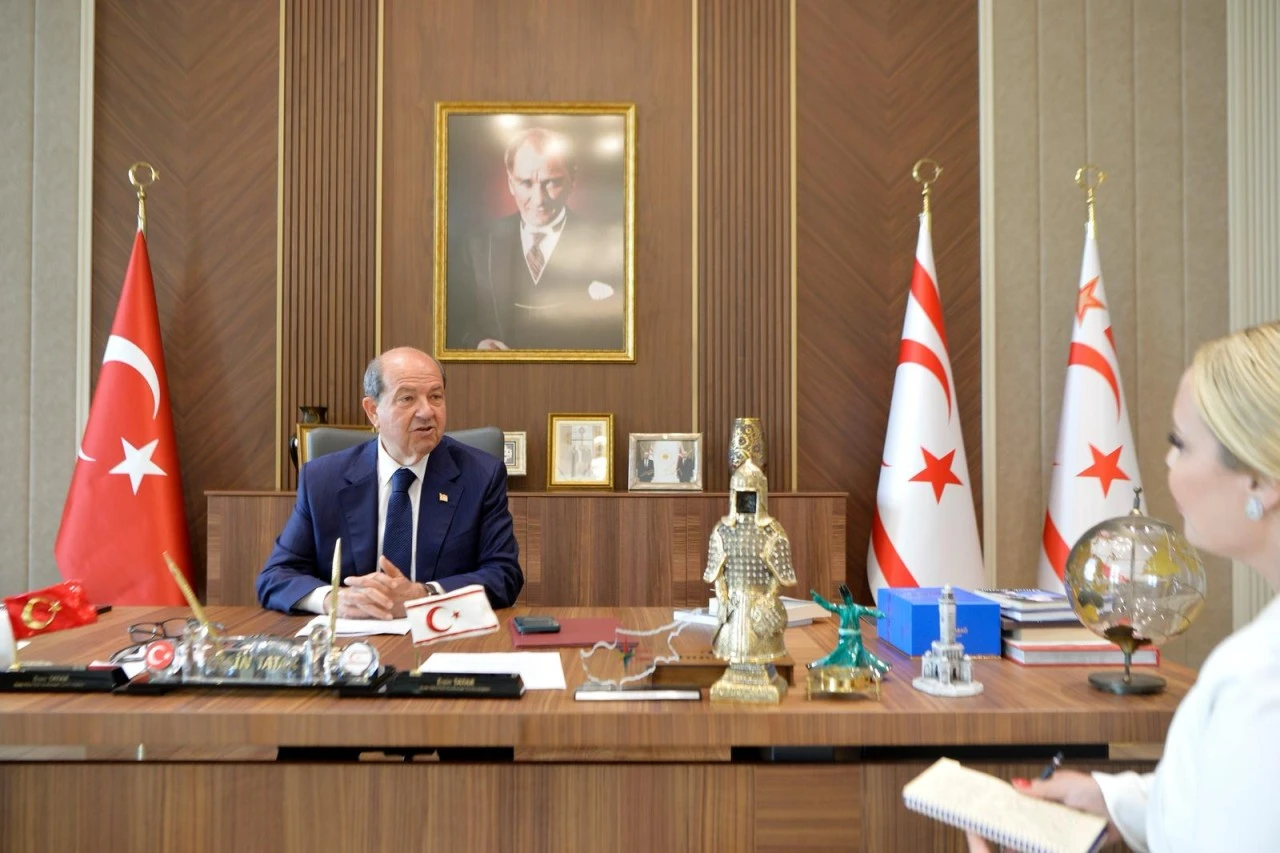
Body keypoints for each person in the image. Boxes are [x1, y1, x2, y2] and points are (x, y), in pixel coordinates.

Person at [968, 322, 1280, 852]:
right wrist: (1114, 802)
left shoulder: (1259, 681)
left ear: (1261, 480)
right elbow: (1242, 796)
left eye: (1180, 444)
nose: (1167, 462)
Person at [256, 347, 523, 617]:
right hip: (353, 635)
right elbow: (276, 576)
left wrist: (424, 595)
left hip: (441, 630)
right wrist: (334, 600)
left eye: (435, 396)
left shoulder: (480, 475)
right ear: (373, 411)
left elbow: (503, 574)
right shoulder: (322, 479)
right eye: (407, 398)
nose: (426, 411)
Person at [448, 127, 625, 351]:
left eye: (552, 182)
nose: (539, 200)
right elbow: (457, 321)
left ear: (572, 180)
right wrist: (478, 342)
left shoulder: (608, 247)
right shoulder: (477, 245)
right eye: (526, 183)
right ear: (510, 183)